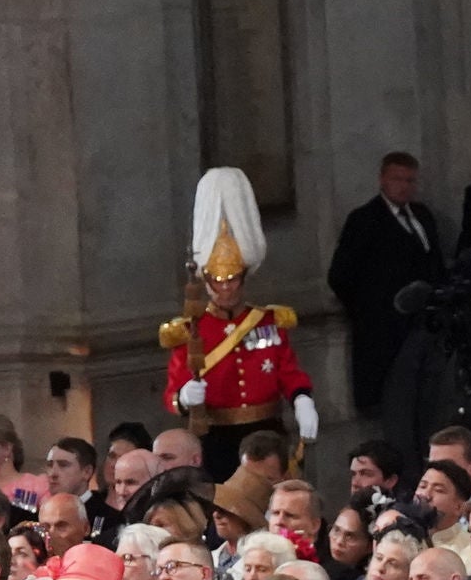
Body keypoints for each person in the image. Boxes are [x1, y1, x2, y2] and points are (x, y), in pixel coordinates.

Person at [161, 169, 318, 478]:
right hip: (218, 436)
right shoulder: (191, 329)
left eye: (232, 281)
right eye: (217, 282)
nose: (225, 289)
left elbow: (287, 369)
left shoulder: (268, 321)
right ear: (206, 282)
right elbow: (172, 391)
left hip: (267, 429)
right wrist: (183, 398)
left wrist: (302, 399)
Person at [326, 152, 446, 419]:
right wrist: (370, 313)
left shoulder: (422, 216)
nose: (404, 186)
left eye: (410, 180)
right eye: (397, 179)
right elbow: (340, 276)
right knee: (392, 408)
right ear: (382, 180)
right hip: (384, 335)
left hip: (425, 327)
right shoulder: (364, 220)